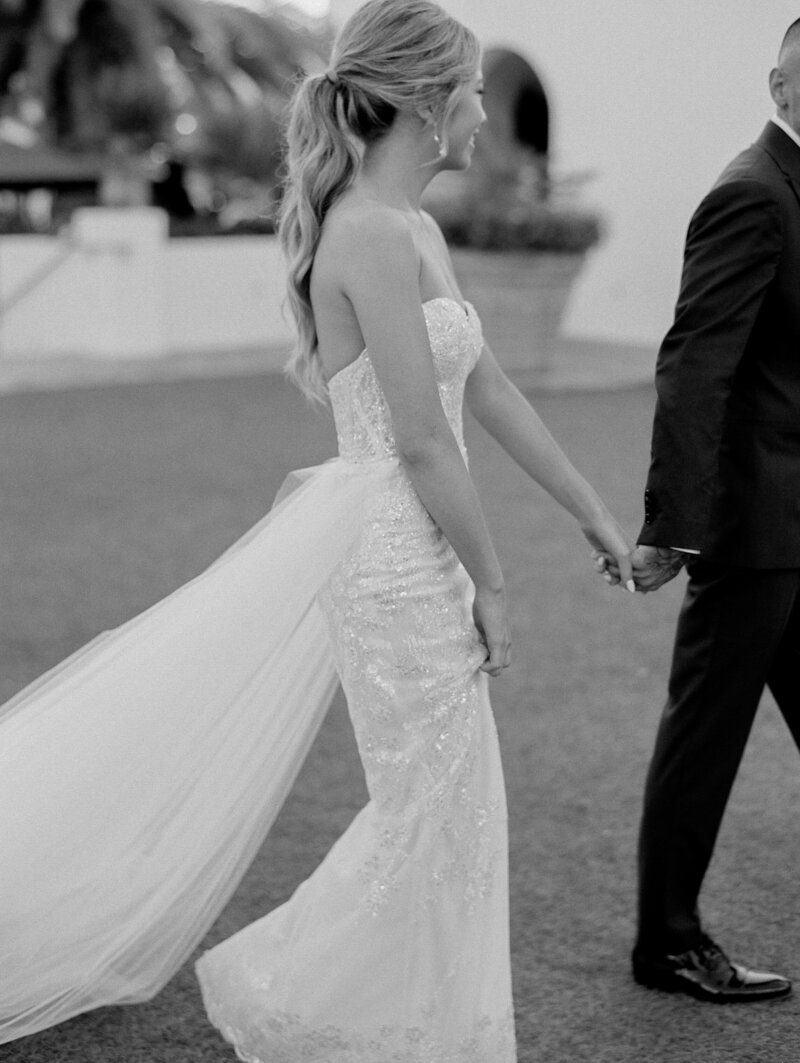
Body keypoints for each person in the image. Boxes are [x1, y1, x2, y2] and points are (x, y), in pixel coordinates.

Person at [0, 1, 633, 1055]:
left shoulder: (419, 228)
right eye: (474, 90)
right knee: (437, 808)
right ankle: (320, 994)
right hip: (391, 559)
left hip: (418, 539)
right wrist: (495, 584)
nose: (485, 111)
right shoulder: (366, 237)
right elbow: (422, 443)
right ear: (429, 107)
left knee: (446, 808)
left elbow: (493, 390)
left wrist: (591, 513)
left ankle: (395, 1013)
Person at [601, 17, 800, 1005]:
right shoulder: (748, 194)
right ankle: (665, 941)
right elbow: (694, 369)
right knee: (704, 733)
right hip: (754, 526)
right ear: (776, 82)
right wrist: (667, 523)